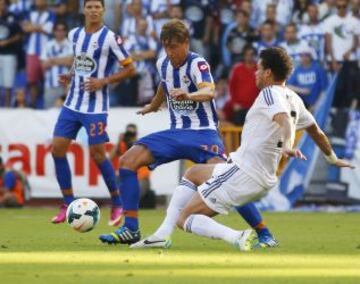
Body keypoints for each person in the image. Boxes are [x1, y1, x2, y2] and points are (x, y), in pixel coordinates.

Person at [99, 19, 277, 248]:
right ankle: (131, 229)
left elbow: (209, 91)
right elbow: (164, 85)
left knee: (230, 181)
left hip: (203, 133)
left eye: (174, 46)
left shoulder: (197, 63)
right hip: (176, 133)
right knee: (127, 160)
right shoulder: (163, 62)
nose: (170, 52)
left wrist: (189, 95)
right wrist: (154, 105)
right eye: (166, 47)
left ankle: (264, 232)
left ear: (186, 43)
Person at [155, 47, 354, 251]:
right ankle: (162, 233)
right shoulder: (294, 99)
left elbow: (283, 120)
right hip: (259, 176)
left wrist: (287, 144)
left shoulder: (269, 93)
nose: (255, 73)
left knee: (184, 218)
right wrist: (332, 159)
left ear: (268, 73)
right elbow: (316, 132)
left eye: (259, 69)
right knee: (194, 173)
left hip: (244, 173)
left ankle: (238, 237)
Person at [50, 0, 136, 226]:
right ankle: (68, 202)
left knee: (98, 154)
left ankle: (117, 203)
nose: (94, 11)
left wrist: (104, 81)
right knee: (57, 149)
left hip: (95, 107)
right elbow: (80, 61)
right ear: (83, 10)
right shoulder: (75, 34)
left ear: (104, 11)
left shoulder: (110, 38)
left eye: (98, 7)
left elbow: (130, 68)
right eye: (90, 7)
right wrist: (70, 75)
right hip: (72, 103)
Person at [41, 21, 73, 109]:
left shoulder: (71, 45)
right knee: (48, 115)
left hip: (66, 87)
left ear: (66, 31)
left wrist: (53, 60)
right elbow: (44, 64)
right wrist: (63, 60)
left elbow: (71, 62)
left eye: (62, 30)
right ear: (54, 31)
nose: (60, 32)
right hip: (50, 85)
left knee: (66, 115)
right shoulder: (47, 45)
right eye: (58, 30)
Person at [287, 46, 328, 110]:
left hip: (317, 103)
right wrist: (302, 90)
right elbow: (288, 86)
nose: (304, 57)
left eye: (306, 55)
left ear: (311, 56)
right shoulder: (298, 70)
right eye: (301, 55)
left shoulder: (318, 68)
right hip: (302, 103)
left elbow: (324, 90)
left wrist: (316, 106)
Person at [0, 0, 22, 107]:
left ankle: (7, 108)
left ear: (7, 5)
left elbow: (20, 35)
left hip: (9, 53)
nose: (1, 6)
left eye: (3, 3)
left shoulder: (13, 17)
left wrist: (7, 42)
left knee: (8, 84)